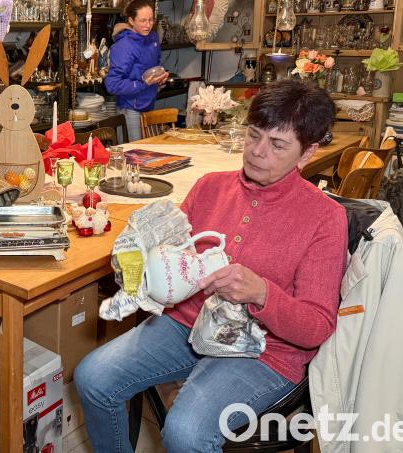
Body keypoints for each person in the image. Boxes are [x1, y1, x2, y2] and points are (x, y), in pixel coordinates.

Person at [75, 80, 348, 452]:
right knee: (93, 377)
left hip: (265, 350)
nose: (256, 152)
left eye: (277, 145)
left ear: (307, 153)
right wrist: (143, 254)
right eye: (253, 135)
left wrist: (262, 294)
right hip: (187, 324)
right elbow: (167, 256)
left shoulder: (324, 217)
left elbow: (317, 326)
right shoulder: (210, 186)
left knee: (186, 431)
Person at [105, 0, 169, 142]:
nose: (148, 25)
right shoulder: (124, 46)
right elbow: (112, 84)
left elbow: (156, 63)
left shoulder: (152, 38)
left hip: (149, 103)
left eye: (151, 20)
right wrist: (142, 83)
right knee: (134, 155)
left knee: (147, 153)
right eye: (143, 21)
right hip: (130, 109)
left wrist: (160, 76)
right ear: (131, 21)